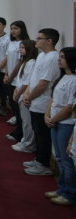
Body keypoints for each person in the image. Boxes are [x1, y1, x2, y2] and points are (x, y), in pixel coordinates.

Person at [22, 28, 61, 176]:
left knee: (43, 135)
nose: (36, 40)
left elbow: (43, 83)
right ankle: (39, 158)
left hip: (42, 102)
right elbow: (34, 78)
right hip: (34, 100)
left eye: (39, 38)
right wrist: (27, 93)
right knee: (37, 132)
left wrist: (29, 97)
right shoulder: (42, 55)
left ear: (49, 41)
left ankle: (43, 164)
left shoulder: (52, 58)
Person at [43, 48, 76, 206]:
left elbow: (70, 107)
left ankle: (70, 193)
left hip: (65, 124)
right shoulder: (62, 77)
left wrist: (54, 119)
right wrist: (47, 115)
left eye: (63, 57)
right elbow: (53, 99)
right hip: (55, 122)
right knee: (59, 158)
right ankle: (63, 188)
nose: (59, 59)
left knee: (66, 160)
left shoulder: (74, 80)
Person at [11, 40, 38, 153]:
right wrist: (16, 91)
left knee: (27, 121)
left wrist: (18, 93)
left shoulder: (31, 63)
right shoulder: (25, 62)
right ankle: (25, 140)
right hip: (20, 92)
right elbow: (20, 80)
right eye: (20, 47)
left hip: (24, 94)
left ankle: (28, 144)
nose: (20, 49)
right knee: (24, 120)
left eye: (23, 47)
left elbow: (27, 82)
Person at [4, 20, 29, 130]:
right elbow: (8, 59)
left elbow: (19, 63)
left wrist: (11, 77)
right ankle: (17, 123)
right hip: (9, 76)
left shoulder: (23, 43)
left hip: (16, 78)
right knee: (12, 102)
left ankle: (20, 128)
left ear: (22, 30)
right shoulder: (11, 42)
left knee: (17, 104)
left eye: (16, 28)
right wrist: (6, 74)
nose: (13, 31)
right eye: (11, 29)